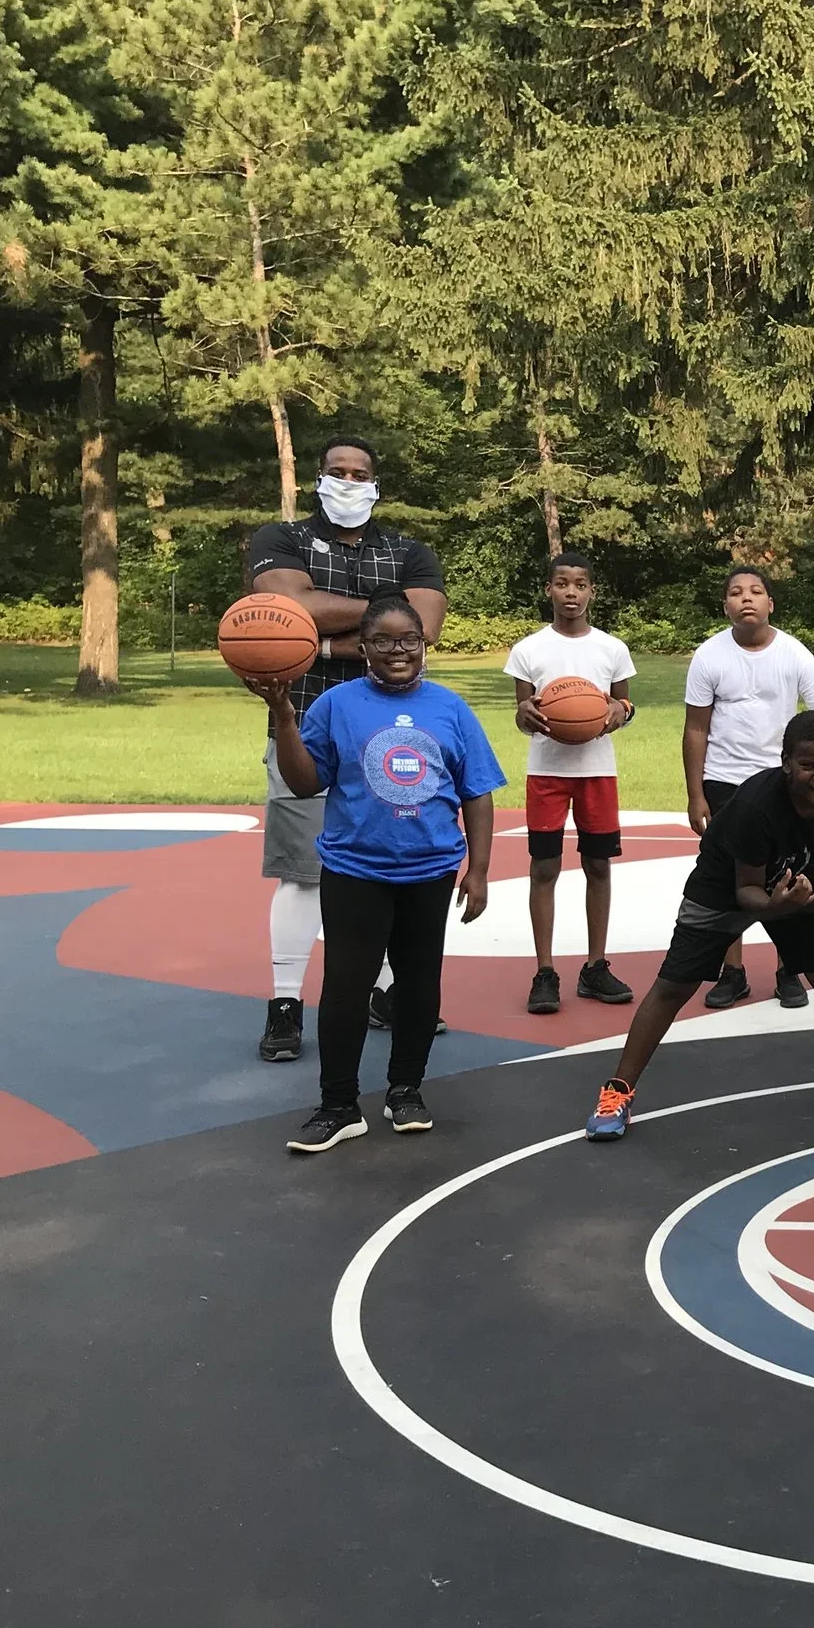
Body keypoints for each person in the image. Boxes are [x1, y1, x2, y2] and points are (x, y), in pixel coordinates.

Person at [248, 594, 502, 1152]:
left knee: (417, 985)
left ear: (424, 645)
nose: (397, 650)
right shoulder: (337, 704)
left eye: (408, 639)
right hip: (354, 869)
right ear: (362, 649)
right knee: (345, 987)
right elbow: (304, 781)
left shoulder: (451, 709)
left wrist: (478, 869)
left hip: (428, 871)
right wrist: (283, 716)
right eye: (383, 641)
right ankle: (339, 1104)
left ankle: (405, 1089)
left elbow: (477, 792)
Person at [587, 711, 814, 1140]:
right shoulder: (756, 806)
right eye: (808, 765)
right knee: (673, 986)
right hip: (725, 886)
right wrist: (779, 905)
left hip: (797, 882)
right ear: (786, 761)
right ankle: (618, 1090)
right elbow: (746, 892)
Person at [245, 436, 446, 1063]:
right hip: (302, 722)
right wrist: (381, 622)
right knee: (304, 873)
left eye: (360, 474)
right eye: (338, 472)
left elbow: (427, 628)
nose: (349, 481)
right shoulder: (280, 539)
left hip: (391, 734)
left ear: (376, 482)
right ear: (318, 478)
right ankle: (284, 1001)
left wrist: (315, 636)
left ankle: (382, 990)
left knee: (383, 866)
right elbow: (285, 604)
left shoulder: (409, 550)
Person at [682, 568, 814, 1012]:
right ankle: (731, 972)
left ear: (771, 603)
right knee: (734, 879)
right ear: (726, 607)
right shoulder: (709, 655)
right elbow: (696, 728)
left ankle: (787, 970)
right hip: (726, 780)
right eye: (735, 592)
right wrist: (696, 793)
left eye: (756, 591)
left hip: (784, 783)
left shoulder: (794, 653)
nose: (746, 598)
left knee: (791, 873)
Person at [505, 552, 637, 1014]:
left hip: (597, 772)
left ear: (591, 592)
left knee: (598, 867)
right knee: (544, 869)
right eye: (562, 584)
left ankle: (595, 966)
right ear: (549, 590)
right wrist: (524, 716)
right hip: (546, 773)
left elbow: (624, 704)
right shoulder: (528, 650)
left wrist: (620, 713)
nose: (571, 593)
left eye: (580, 585)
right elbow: (525, 717)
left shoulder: (612, 648)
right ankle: (545, 972)